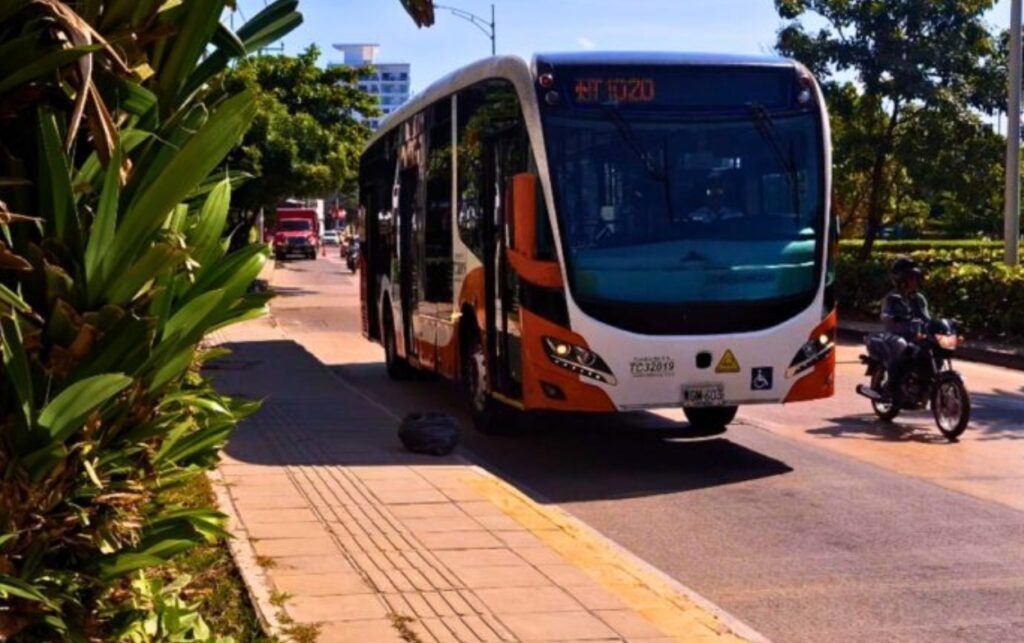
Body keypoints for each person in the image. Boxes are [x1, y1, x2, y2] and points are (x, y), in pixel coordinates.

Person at [877, 256, 931, 402]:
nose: (914, 281)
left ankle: (925, 382)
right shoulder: (891, 298)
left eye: (916, 278)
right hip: (895, 335)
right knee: (901, 345)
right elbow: (885, 315)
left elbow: (927, 317)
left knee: (933, 348)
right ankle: (893, 386)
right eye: (911, 278)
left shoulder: (919, 299)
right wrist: (892, 317)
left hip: (916, 336)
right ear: (901, 280)